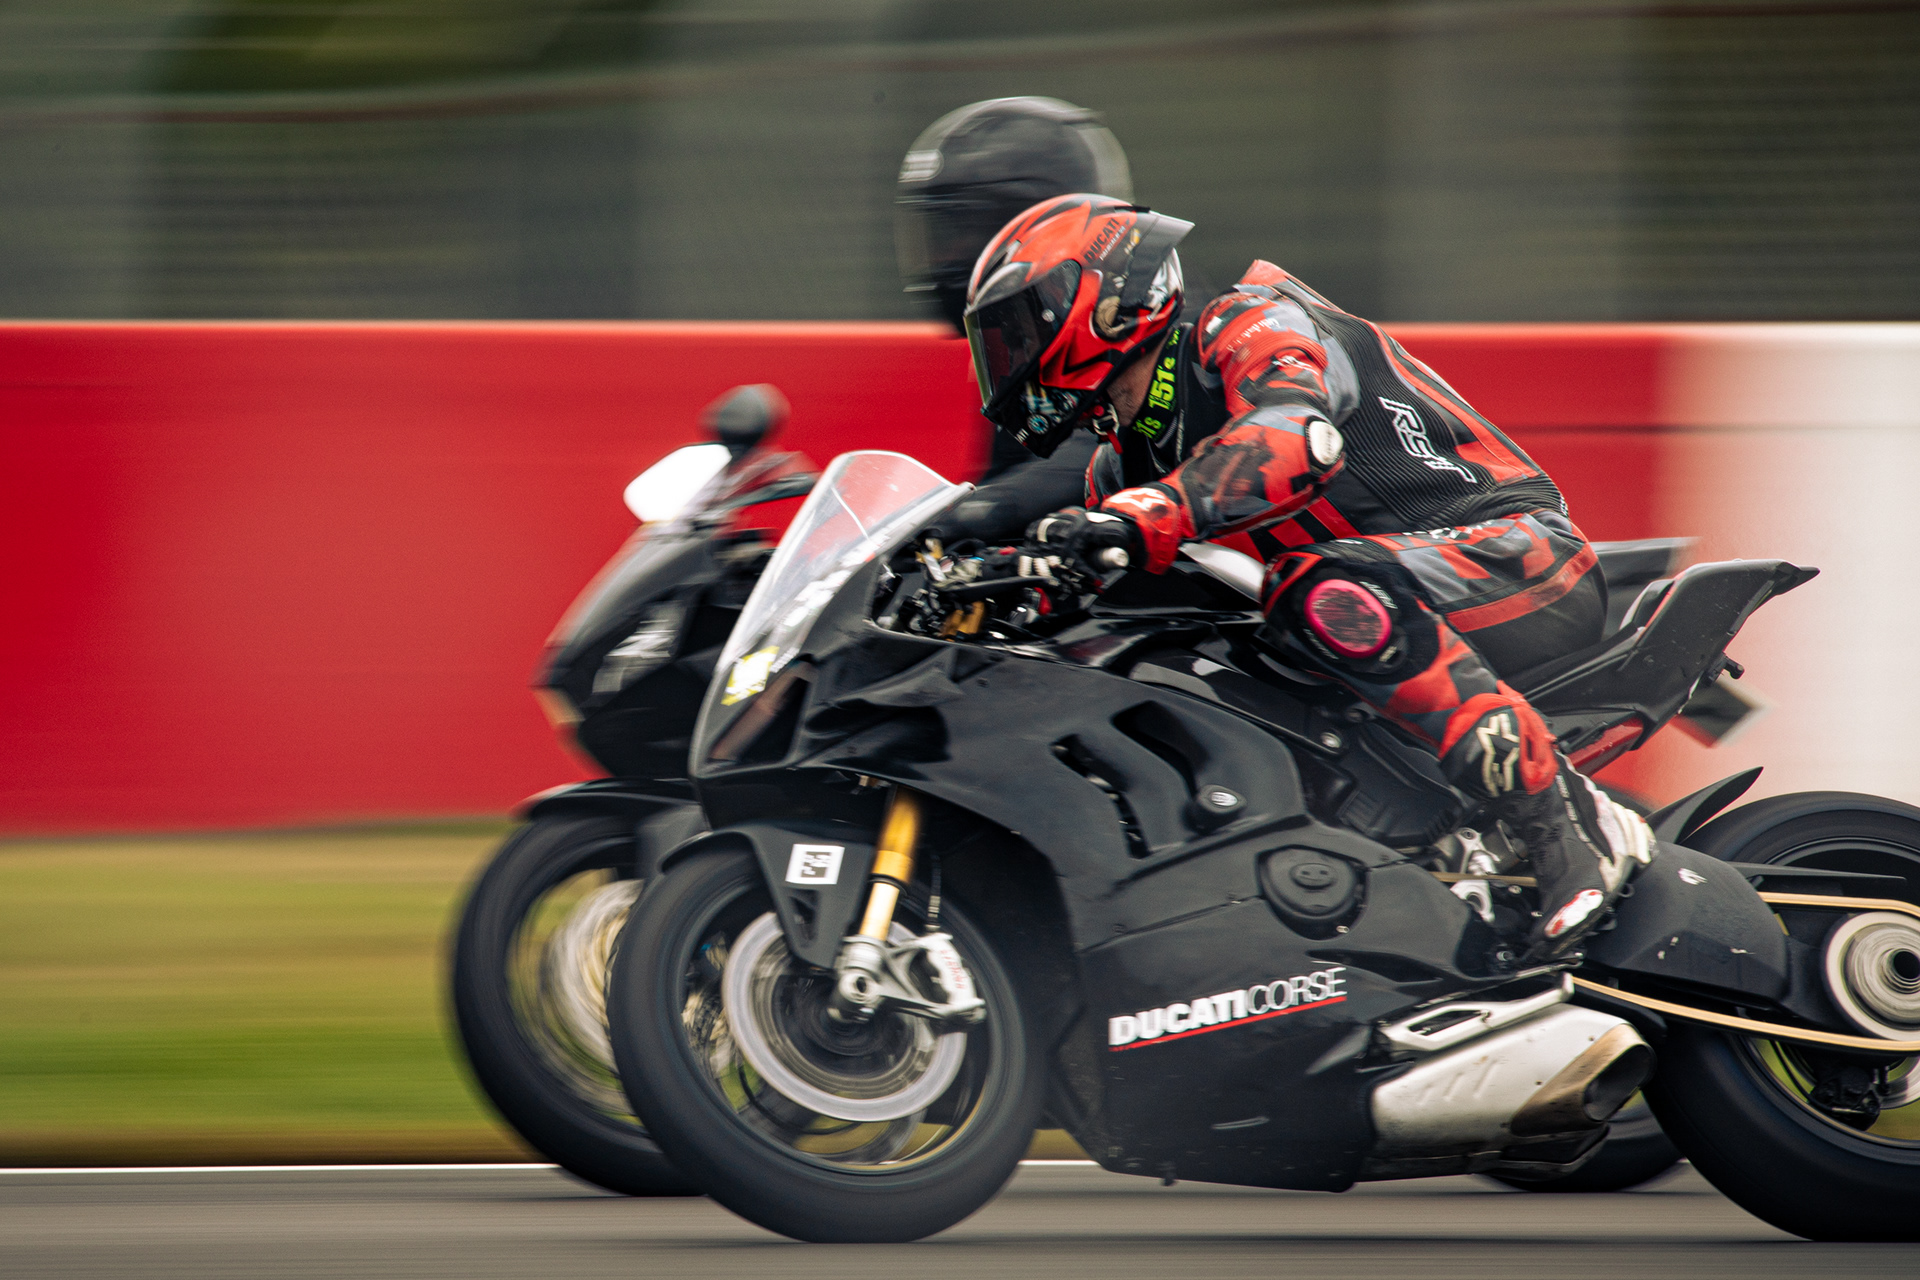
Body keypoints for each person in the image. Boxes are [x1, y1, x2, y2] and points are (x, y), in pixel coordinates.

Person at [962, 193, 1652, 962]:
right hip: (1377, 611)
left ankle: (1567, 818)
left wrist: (1146, 515)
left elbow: (1294, 436)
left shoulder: (1250, 322)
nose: (1008, 355)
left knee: (1315, 584)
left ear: (1103, 302)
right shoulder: (1118, 469)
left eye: (1019, 328)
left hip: (1519, 557)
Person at [894, 97, 1132, 542]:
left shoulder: (1147, 310)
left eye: (969, 231)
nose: (948, 255)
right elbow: (1010, 469)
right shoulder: (1026, 337)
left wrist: (980, 510)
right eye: (941, 233)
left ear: (1047, 224)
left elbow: (1108, 451)